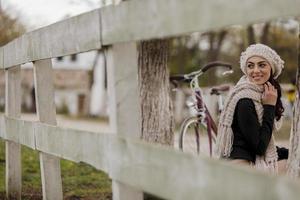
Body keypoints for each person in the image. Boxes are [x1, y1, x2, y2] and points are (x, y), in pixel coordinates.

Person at [214, 44, 288, 174]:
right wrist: (269, 107)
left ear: (272, 68)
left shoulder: (262, 95)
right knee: (293, 168)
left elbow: (266, 145)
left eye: (262, 65)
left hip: (251, 160)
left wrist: (290, 152)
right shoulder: (244, 100)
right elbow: (260, 147)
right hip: (239, 167)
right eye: (250, 65)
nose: (255, 70)